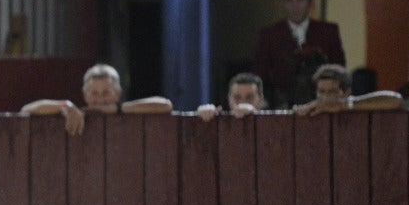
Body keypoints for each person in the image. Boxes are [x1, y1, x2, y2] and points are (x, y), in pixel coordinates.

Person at [252, 0, 346, 109]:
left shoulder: (328, 31)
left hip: (322, 103)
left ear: (310, 2)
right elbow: (259, 74)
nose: (295, 6)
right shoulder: (270, 34)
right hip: (282, 105)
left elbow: (340, 71)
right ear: (282, 2)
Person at [20, 63, 173, 137]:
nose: (100, 99)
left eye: (106, 92)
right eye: (94, 93)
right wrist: (65, 105)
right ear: (85, 95)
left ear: (118, 93)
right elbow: (26, 110)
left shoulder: (127, 111)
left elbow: (165, 105)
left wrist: (119, 109)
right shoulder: (76, 113)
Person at [293, 64, 403, 116]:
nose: (325, 97)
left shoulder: (358, 107)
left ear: (347, 92)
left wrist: (343, 105)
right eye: (321, 92)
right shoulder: (313, 111)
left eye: (332, 92)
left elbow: (396, 100)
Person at [195, 71, 266, 122]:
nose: (243, 103)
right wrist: (202, 117)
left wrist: (253, 114)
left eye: (249, 97)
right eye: (237, 97)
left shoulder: (274, 124)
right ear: (229, 99)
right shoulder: (219, 123)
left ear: (260, 99)